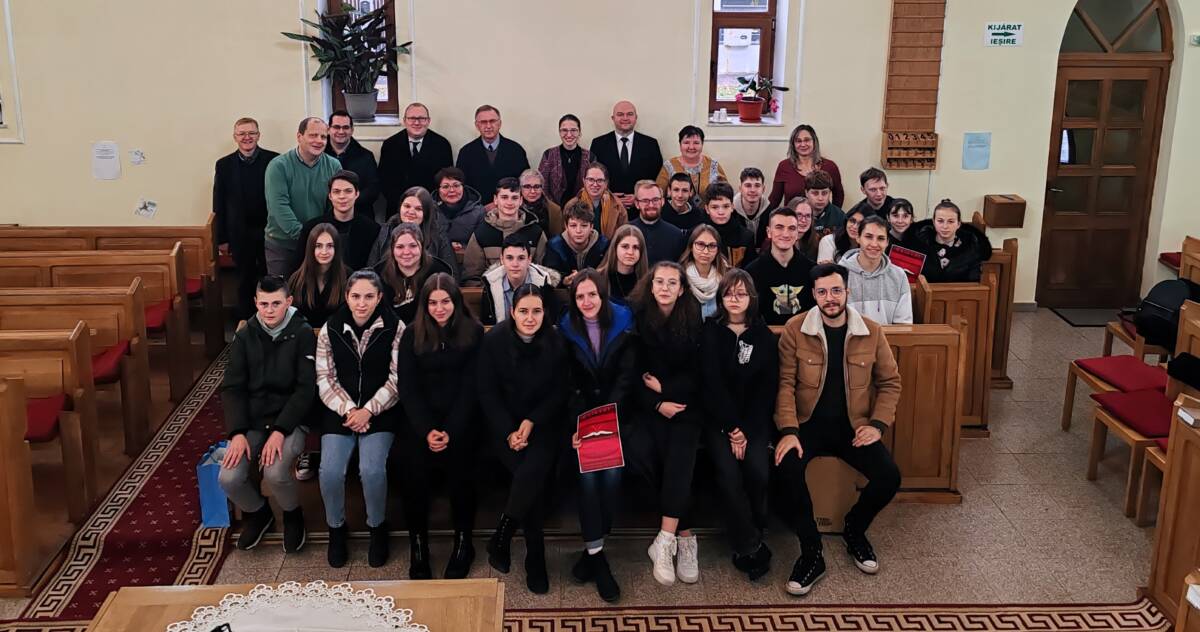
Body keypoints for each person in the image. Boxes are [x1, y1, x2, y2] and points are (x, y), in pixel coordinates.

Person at [774, 263, 902, 597]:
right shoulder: (795, 329)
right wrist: (789, 430)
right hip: (807, 424)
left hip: (853, 426)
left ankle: (854, 529)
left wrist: (877, 425)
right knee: (786, 469)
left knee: (889, 476)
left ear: (847, 291)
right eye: (822, 292)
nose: (829, 298)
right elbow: (784, 385)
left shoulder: (871, 331)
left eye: (836, 290)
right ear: (813, 295)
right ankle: (811, 552)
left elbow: (890, 383)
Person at [478, 284, 569, 595]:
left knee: (533, 470)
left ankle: (504, 536)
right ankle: (535, 555)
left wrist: (532, 422)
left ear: (545, 313)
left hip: (543, 423)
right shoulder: (494, 340)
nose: (530, 318)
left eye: (537, 311)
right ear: (512, 312)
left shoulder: (556, 340)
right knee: (531, 478)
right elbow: (487, 392)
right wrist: (509, 430)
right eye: (524, 311)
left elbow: (559, 392)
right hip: (504, 426)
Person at [219, 275, 315, 553]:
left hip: (290, 419)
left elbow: (305, 389)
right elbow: (233, 387)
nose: (269, 310)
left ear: (288, 301)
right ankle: (259, 512)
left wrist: (280, 431)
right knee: (228, 478)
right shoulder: (245, 335)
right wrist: (237, 432)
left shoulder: (302, 333)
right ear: (255, 303)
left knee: (275, 471)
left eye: (276, 303)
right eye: (264, 304)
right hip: (253, 420)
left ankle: (292, 514)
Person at [397, 273, 484, 580]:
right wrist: (427, 430)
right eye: (432, 303)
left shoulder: (473, 332)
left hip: (461, 419)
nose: (439, 308)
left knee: (463, 472)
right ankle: (418, 544)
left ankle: (463, 542)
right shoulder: (411, 334)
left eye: (445, 301)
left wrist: (451, 429)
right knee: (412, 472)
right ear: (424, 305)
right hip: (422, 422)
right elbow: (407, 387)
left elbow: (473, 385)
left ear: (456, 302)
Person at [316, 270, 404, 569]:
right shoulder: (331, 328)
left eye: (368, 296)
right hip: (340, 411)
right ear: (347, 297)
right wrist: (349, 410)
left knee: (371, 469)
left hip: (380, 411)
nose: (361, 303)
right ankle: (336, 528)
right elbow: (325, 377)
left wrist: (369, 410)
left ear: (379, 298)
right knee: (330, 471)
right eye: (355, 296)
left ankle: (377, 527)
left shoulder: (395, 326)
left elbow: (397, 378)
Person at [558, 269, 636, 602]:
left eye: (592, 294)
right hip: (583, 420)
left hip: (618, 416)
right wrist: (580, 424)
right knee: (588, 478)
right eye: (580, 296)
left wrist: (609, 417)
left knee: (613, 476)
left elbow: (627, 376)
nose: (587, 301)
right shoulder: (566, 328)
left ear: (603, 295)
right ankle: (597, 556)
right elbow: (568, 383)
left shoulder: (624, 321)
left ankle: (593, 549)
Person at [626, 262, 704, 587]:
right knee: (656, 455)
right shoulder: (637, 317)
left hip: (686, 404)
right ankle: (685, 535)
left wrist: (667, 391)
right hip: (649, 407)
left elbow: (698, 373)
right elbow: (632, 376)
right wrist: (658, 403)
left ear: (682, 289)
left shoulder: (694, 319)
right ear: (651, 284)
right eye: (659, 282)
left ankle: (666, 539)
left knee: (682, 452)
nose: (665, 288)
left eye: (672, 283)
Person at [700, 269, 776, 580]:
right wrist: (732, 429)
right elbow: (710, 384)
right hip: (719, 422)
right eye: (729, 293)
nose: (734, 299)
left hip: (752, 422)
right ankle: (748, 545)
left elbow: (766, 389)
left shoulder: (763, 336)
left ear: (751, 298)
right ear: (720, 298)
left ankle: (755, 529)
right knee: (729, 473)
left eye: (741, 293)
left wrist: (745, 430)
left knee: (757, 470)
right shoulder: (710, 332)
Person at [213, 117, 279, 318]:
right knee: (244, 280)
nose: (247, 137)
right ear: (235, 137)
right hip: (239, 233)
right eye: (242, 133)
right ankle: (246, 323)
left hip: (269, 231)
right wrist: (221, 238)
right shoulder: (224, 165)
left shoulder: (274, 161)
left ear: (259, 135)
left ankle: (272, 320)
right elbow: (219, 203)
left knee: (271, 278)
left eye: (251, 133)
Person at [265, 117, 342, 277]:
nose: (319, 141)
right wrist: (309, 237)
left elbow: (334, 206)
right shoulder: (278, 166)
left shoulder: (334, 166)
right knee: (281, 290)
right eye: (313, 135)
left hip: (319, 245)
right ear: (299, 137)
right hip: (283, 245)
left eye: (323, 137)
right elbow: (279, 206)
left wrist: (320, 239)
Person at [461, 177, 547, 284]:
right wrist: (490, 291)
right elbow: (471, 277)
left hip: (528, 292)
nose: (509, 202)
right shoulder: (481, 233)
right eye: (504, 197)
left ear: (521, 200)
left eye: (514, 198)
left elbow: (543, 273)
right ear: (495, 199)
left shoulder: (535, 233)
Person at [293, 170, 380, 272]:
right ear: (330, 196)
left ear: (357, 194)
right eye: (336, 191)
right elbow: (299, 266)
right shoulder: (311, 228)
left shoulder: (372, 229)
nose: (342, 196)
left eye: (348, 191)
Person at [745, 207, 817, 326]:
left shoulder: (812, 270)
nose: (786, 234)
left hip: (802, 334)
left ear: (797, 233)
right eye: (779, 227)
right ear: (769, 232)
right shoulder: (752, 272)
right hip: (765, 334)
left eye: (791, 228)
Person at [838, 216, 913, 325]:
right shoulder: (840, 274)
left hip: (888, 336)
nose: (874, 244)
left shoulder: (899, 276)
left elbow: (903, 324)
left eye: (880, 238)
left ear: (887, 242)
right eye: (868, 237)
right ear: (858, 238)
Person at [370, 186, 458, 278]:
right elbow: (371, 269)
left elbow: (452, 274)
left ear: (426, 213)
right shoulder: (387, 230)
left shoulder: (438, 234)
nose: (411, 212)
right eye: (407, 206)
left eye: (418, 209)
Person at [375, 223, 455, 324]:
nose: (406, 252)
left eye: (413, 246)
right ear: (392, 249)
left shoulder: (439, 272)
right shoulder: (379, 274)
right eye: (400, 247)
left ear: (421, 247)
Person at [589, 101, 664, 207]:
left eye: (629, 114)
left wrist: (639, 197)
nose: (625, 118)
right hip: (607, 208)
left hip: (642, 208)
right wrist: (607, 196)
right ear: (613, 118)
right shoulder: (598, 144)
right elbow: (592, 177)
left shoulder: (651, 144)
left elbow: (656, 178)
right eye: (620, 114)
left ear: (636, 118)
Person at [379, 102, 454, 208]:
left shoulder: (442, 145)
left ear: (428, 121)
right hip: (398, 207)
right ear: (404, 121)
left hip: (432, 207)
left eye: (422, 118)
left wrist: (428, 205)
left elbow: (446, 181)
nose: (417, 122)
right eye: (412, 118)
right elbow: (384, 180)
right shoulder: (390, 145)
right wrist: (404, 205)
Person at [906, 199, 993, 283]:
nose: (945, 226)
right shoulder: (919, 244)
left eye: (951, 222)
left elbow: (973, 282)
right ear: (933, 222)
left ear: (958, 224)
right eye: (940, 221)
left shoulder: (970, 246)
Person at [480, 236, 560, 325]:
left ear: (529, 260)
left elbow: (550, 323)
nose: (515, 264)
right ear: (502, 260)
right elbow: (487, 325)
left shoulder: (544, 284)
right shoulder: (490, 285)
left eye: (521, 258)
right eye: (509, 258)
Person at [455, 105, 530, 199]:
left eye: (492, 121)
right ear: (477, 125)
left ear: (500, 123)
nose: (488, 126)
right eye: (483, 122)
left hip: (509, 204)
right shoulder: (466, 152)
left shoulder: (516, 150)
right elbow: (462, 186)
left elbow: (524, 183)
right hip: (477, 205)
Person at [768, 124, 844, 209]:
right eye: (798, 141)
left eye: (807, 140)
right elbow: (775, 199)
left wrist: (833, 215)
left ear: (814, 141)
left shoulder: (830, 167)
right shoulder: (784, 166)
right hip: (793, 216)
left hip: (822, 217)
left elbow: (838, 196)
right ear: (793, 144)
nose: (803, 144)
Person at [288, 223, 349, 328]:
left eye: (330, 246)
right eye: (318, 246)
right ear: (311, 248)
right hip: (304, 336)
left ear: (337, 248)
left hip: (335, 335)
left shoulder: (348, 276)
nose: (324, 252)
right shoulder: (296, 279)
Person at [325, 110, 380, 216]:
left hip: (359, 214)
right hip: (325, 214)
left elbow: (373, 189)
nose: (341, 131)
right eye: (336, 127)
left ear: (352, 130)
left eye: (345, 127)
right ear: (328, 129)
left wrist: (348, 202)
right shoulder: (319, 155)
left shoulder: (366, 156)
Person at [544, 199, 610, 285]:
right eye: (573, 225)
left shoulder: (603, 245)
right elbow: (549, 276)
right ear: (566, 226)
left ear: (591, 227)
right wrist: (564, 280)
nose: (578, 231)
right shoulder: (554, 246)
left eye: (584, 225)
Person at [656, 126, 727, 202]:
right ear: (680, 145)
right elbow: (658, 195)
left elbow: (726, 194)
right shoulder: (669, 166)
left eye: (696, 143)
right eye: (686, 143)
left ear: (702, 144)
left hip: (709, 209)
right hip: (677, 209)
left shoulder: (713, 165)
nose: (691, 147)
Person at [538, 114, 592, 206]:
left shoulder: (590, 157)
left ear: (579, 132)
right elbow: (542, 185)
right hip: (553, 209)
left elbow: (593, 185)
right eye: (564, 130)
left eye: (573, 130)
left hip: (583, 209)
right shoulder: (548, 155)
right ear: (559, 132)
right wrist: (554, 208)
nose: (569, 134)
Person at [629, 180, 686, 264]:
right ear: (637, 204)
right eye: (645, 200)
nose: (651, 205)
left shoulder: (676, 235)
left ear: (662, 201)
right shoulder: (625, 232)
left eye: (655, 200)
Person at [679, 225, 728, 319]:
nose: (706, 251)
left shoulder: (727, 277)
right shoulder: (680, 277)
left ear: (718, 250)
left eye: (712, 246)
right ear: (691, 247)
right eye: (700, 244)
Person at [434, 167, 487, 254]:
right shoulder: (429, 210)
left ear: (463, 187)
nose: (451, 190)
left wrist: (462, 246)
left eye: (456, 185)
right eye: (445, 186)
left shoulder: (478, 212)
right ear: (438, 190)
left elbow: (482, 244)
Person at [702, 181, 756, 266]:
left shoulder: (746, 237)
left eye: (726, 206)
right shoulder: (696, 235)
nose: (721, 212)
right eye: (715, 207)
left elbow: (749, 270)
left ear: (732, 207)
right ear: (707, 209)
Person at [572, 162, 629, 240]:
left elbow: (624, 237)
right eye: (591, 180)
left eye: (600, 180)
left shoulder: (618, 207)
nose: (595, 184)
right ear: (584, 181)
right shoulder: (572, 205)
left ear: (606, 183)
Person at [598, 224, 649, 305]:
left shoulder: (648, 282)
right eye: (625, 246)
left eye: (635, 247)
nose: (630, 252)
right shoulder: (598, 278)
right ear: (615, 247)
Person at [517, 169, 562, 238]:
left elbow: (557, 238)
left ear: (542, 188)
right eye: (527, 187)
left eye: (537, 186)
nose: (532, 191)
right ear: (520, 188)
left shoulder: (554, 210)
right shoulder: (512, 207)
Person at [804, 170, 845, 236]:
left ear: (830, 193)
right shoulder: (797, 214)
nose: (820, 198)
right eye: (815, 193)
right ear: (806, 193)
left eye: (824, 193)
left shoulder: (839, 216)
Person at [733, 167, 771, 235]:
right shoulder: (731, 210)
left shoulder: (769, 210)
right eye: (748, 185)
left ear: (763, 189)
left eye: (757, 185)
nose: (753, 190)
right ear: (740, 189)